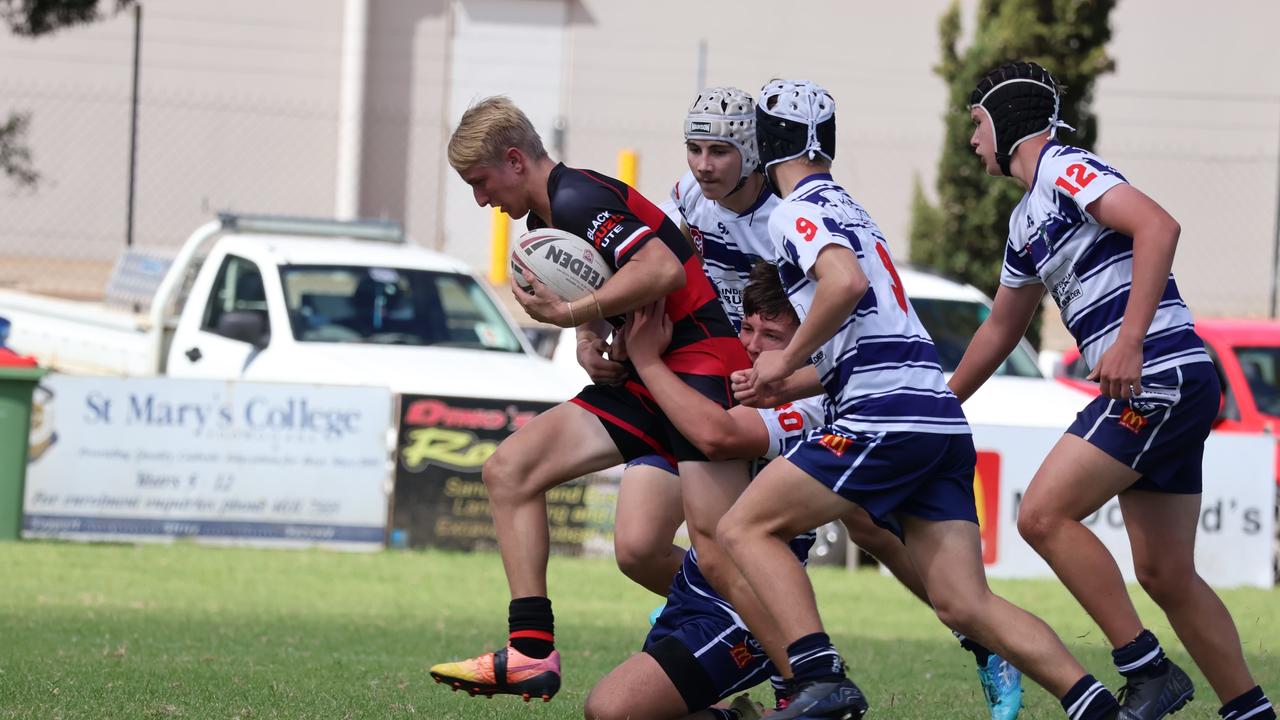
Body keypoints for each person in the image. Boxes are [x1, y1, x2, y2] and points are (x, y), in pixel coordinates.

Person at [713, 78, 1134, 720]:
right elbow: (862, 345)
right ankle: (1094, 705)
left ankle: (820, 676)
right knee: (966, 604)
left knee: (743, 526)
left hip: (885, 418)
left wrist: (784, 359)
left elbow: (844, 284)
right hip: (935, 414)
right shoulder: (848, 207)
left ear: (768, 144)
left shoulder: (794, 212)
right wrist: (779, 380)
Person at [949, 60, 1275, 720]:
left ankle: (1146, 671)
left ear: (1009, 122)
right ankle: (1252, 713)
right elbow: (1002, 328)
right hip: (1168, 383)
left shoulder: (1066, 168)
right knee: (1165, 575)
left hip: (1158, 373)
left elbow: (1159, 225)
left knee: (1040, 515)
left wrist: (1128, 341)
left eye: (978, 123)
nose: (973, 139)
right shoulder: (1024, 223)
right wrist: (939, 400)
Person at [428, 96, 773, 703]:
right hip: (644, 376)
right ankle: (531, 651)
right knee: (509, 470)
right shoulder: (546, 223)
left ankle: (808, 669)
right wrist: (590, 337)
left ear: (514, 161)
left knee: (719, 553)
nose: (481, 201)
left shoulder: (577, 198)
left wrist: (570, 314)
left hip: (697, 367)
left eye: (480, 183)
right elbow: (609, 288)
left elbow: (662, 267)